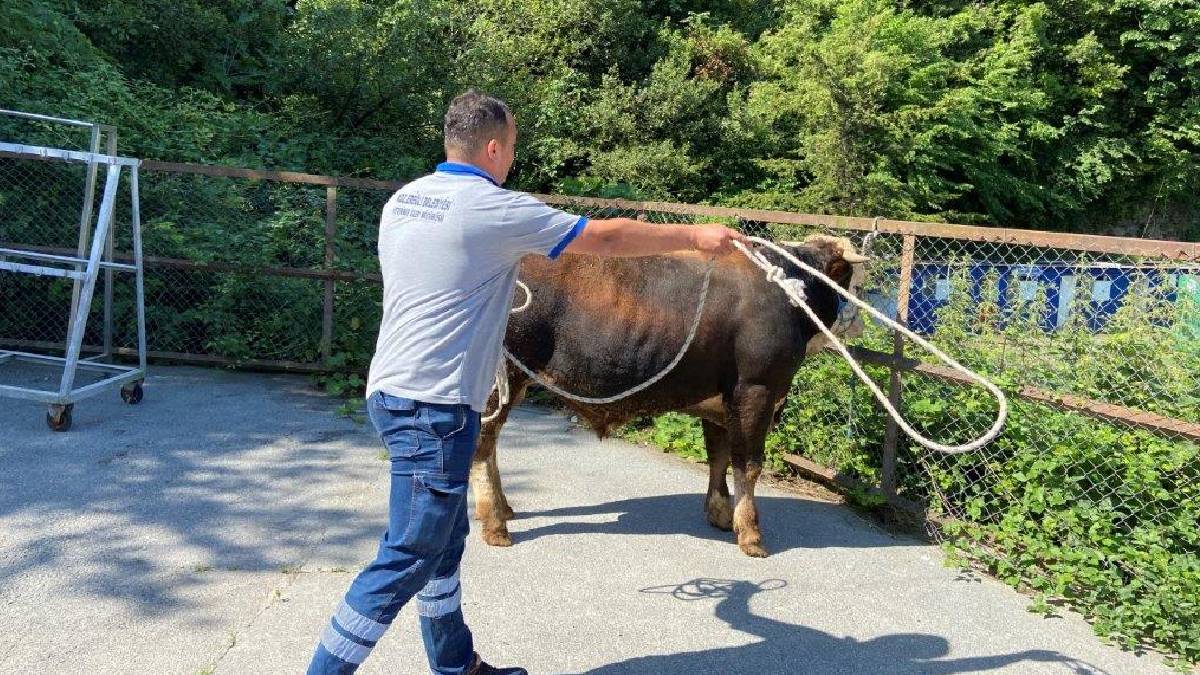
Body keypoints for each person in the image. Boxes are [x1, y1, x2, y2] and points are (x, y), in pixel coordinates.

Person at [306, 89, 748, 675]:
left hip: (392, 391)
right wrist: (695, 238)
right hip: (434, 408)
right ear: (492, 147)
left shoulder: (405, 201)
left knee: (444, 539)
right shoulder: (493, 208)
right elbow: (608, 239)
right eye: (511, 148)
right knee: (409, 553)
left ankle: (455, 663)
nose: (512, 159)